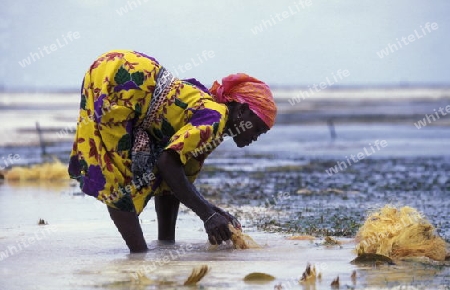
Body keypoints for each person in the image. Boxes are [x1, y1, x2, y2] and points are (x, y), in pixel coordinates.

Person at [68, 50, 277, 253]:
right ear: (240, 111)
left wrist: (171, 244)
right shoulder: (216, 118)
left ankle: (161, 244)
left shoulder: (211, 112)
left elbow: (173, 180)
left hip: (120, 67)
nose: (256, 136)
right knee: (116, 179)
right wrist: (208, 216)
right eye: (257, 128)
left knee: (151, 177)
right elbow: (167, 163)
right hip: (122, 79)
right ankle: (138, 256)